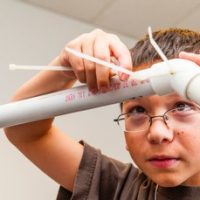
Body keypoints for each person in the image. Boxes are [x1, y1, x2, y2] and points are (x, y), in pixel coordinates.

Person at [4, 28, 200, 200]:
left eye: (182, 107)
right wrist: (64, 68)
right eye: (137, 110)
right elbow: (22, 127)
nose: (157, 133)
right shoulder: (116, 187)